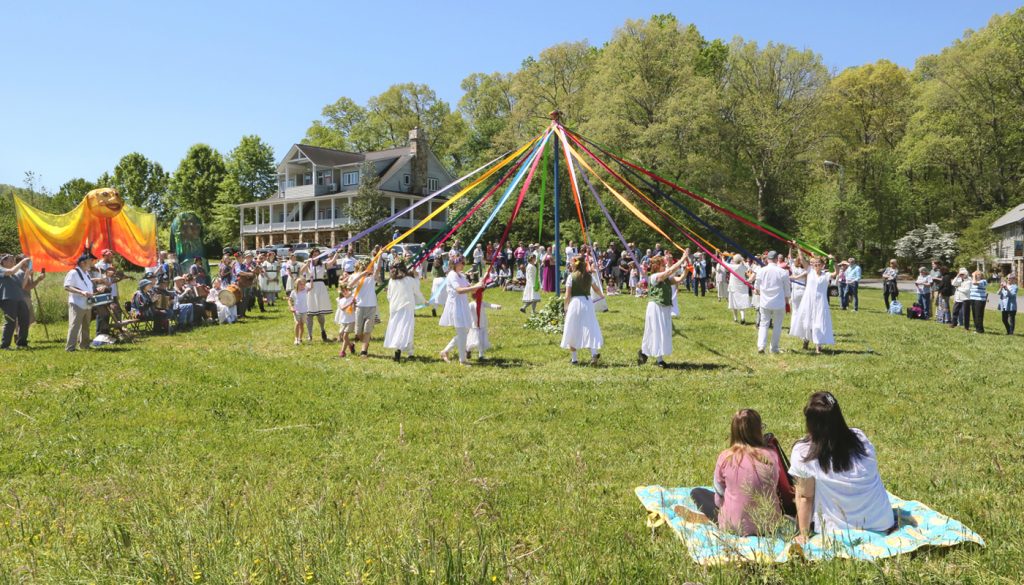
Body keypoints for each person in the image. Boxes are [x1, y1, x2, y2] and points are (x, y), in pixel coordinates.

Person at [790, 392, 894, 543]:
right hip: (881, 523)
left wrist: (803, 534)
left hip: (838, 532)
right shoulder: (860, 438)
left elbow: (805, 497)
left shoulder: (804, 454)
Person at [688, 409, 784, 536]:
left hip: (735, 527)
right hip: (769, 526)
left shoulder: (725, 457)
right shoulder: (771, 456)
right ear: (758, 430)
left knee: (697, 492)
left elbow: (719, 496)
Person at [638, 254, 688, 367]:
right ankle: (658, 359)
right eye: (662, 264)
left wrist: (686, 270)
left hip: (664, 307)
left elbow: (679, 279)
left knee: (663, 332)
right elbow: (669, 271)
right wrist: (682, 259)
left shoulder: (665, 278)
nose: (665, 265)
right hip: (656, 307)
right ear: (657, 266)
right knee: (656, 331)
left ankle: (645, 352)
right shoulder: (654, 277)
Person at [439, 255, 486, 365]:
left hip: (463, 305)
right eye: (462, 263)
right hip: (456, 306)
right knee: (462, 332)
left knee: (464, 332)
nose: (464, 265)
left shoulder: (461, 275)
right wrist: (475, 287)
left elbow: (471, 289)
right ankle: (462, 360)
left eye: (464, 263)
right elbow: (459, 290)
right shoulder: (452, 275)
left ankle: (445, 351)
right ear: (455, 264)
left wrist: (481, 284)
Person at [561, 256, 605, 365]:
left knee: (572, 327)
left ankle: (574, 359)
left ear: (575, 265)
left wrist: (565, 307)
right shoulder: (589, 276)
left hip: (575, 303)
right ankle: (594, 353)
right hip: (587, 304)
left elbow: (567, 295)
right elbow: (596, 289)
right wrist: (602, 296)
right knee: (590, 327)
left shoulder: (571, 277)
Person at [789, 252, 835, 353]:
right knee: (807, 322)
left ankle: (818, 346)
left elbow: (836, 273)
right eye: (815, 264)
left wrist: (833, 261)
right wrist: (798, 248)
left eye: (819, 264)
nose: (816, 265)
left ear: (823, 265)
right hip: (808, 300)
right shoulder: (810, 271)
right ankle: (805, 341)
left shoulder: (826, 275)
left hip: (820, 302)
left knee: (819, 323)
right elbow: (801, 259)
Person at [383, 261, 426, 362]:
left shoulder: (391, 281)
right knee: (407, 329)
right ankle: (409, 352)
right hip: (406, 308)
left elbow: (389, 296)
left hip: (394, 308)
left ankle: (399, 350)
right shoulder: (409, 280)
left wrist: (393, 303)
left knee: (397, 328)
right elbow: (417, 292)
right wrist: (424, 301)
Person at [755, 251, 791, 354]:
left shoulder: (761, 271)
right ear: (777, 259)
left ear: (767, 259)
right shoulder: (783, 272)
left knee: (763, 324)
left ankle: (761, 346)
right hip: (778, 303)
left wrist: (758, 291)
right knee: (777, 325)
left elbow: (756, 287)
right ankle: (774, 348)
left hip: (765, 302)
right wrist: (787, 301)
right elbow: (787, 290)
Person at [301, 249, 338, 342]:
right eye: (314, 254)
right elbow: (301, 272)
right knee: (309, 313)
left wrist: (337, 252)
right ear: (311, 255)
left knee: (320, 312)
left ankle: (322, 330)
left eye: (317, 254)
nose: (316, 256)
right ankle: (309, 335)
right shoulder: (307, 264)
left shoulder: (323, 264)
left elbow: (333, 261)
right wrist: (308, 263)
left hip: (320, 287)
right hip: (310, 287)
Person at [64, 251, 97, 352]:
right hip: (77, 303)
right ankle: (70, 348)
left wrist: (96, 291)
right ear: (83, 262)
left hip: (87, 304)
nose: (92, 262)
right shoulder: (73, 272)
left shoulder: (86, 273)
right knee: (74, 326)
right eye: (90, 261)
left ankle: (84, 345)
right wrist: (81, 292)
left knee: (86, 326)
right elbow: (67, 286)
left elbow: (88, 287)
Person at [346, 259, 378, 357]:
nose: (372, 268)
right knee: (358, 332)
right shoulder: (356, 276)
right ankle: (353, 344)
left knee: (367, 331)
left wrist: (380, 255)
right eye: (370, 266)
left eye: (372, 267)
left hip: (371, 307)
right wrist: (362, 275)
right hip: (360, 307)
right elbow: (349, 285)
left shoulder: (373, 277)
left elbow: (379, 268)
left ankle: (364, 351)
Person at [0, 254, 31, 350]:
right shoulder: (1, 269)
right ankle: (5, 345)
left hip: (20, 299)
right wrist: (22, 262)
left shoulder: (15, 273)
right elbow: (11, 271)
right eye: (10, 260)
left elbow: (22, 286)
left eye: (13, 260)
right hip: (7, 299)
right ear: (3, 262)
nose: (13, 262)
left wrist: (27, 273)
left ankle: (21, 343)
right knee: (11, 322)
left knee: (25, 321)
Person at [726, 255, 751, 324]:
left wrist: (721, 257)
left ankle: (735, 318)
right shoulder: (744, 267)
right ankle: (742, 317)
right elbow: (749, 268)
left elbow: (725, 264)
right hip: (742, 287)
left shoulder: (733, 266)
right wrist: (743, 261)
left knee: (733, 303)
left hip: (734, 287)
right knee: (742, 303)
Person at [333, 284, 356, 356]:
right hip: (343, 320)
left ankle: (342, 351)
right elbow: (342, 308)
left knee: (345, 336)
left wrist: (354, 303)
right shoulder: (341, 300)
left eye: (346, 290)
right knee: (341, 334)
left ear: (349, 290)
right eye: (343, 291)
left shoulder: (353, 298)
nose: (345, 292)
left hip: (351, 320)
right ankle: (351, 344)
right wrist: (350, 304)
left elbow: (354, 309)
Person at [288, 277, 308, 344]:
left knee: (302, 325)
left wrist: (310, 278)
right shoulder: (293, 292)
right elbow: (289, 300)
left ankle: (300, 338)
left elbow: (311, 286)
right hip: (296, 310)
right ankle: (296, 338)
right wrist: (291, 307)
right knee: (297, 323)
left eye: (303, 284)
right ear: (296, 285)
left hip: (304, 310)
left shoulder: (305, 290)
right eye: (300, 284)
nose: (302, 286)